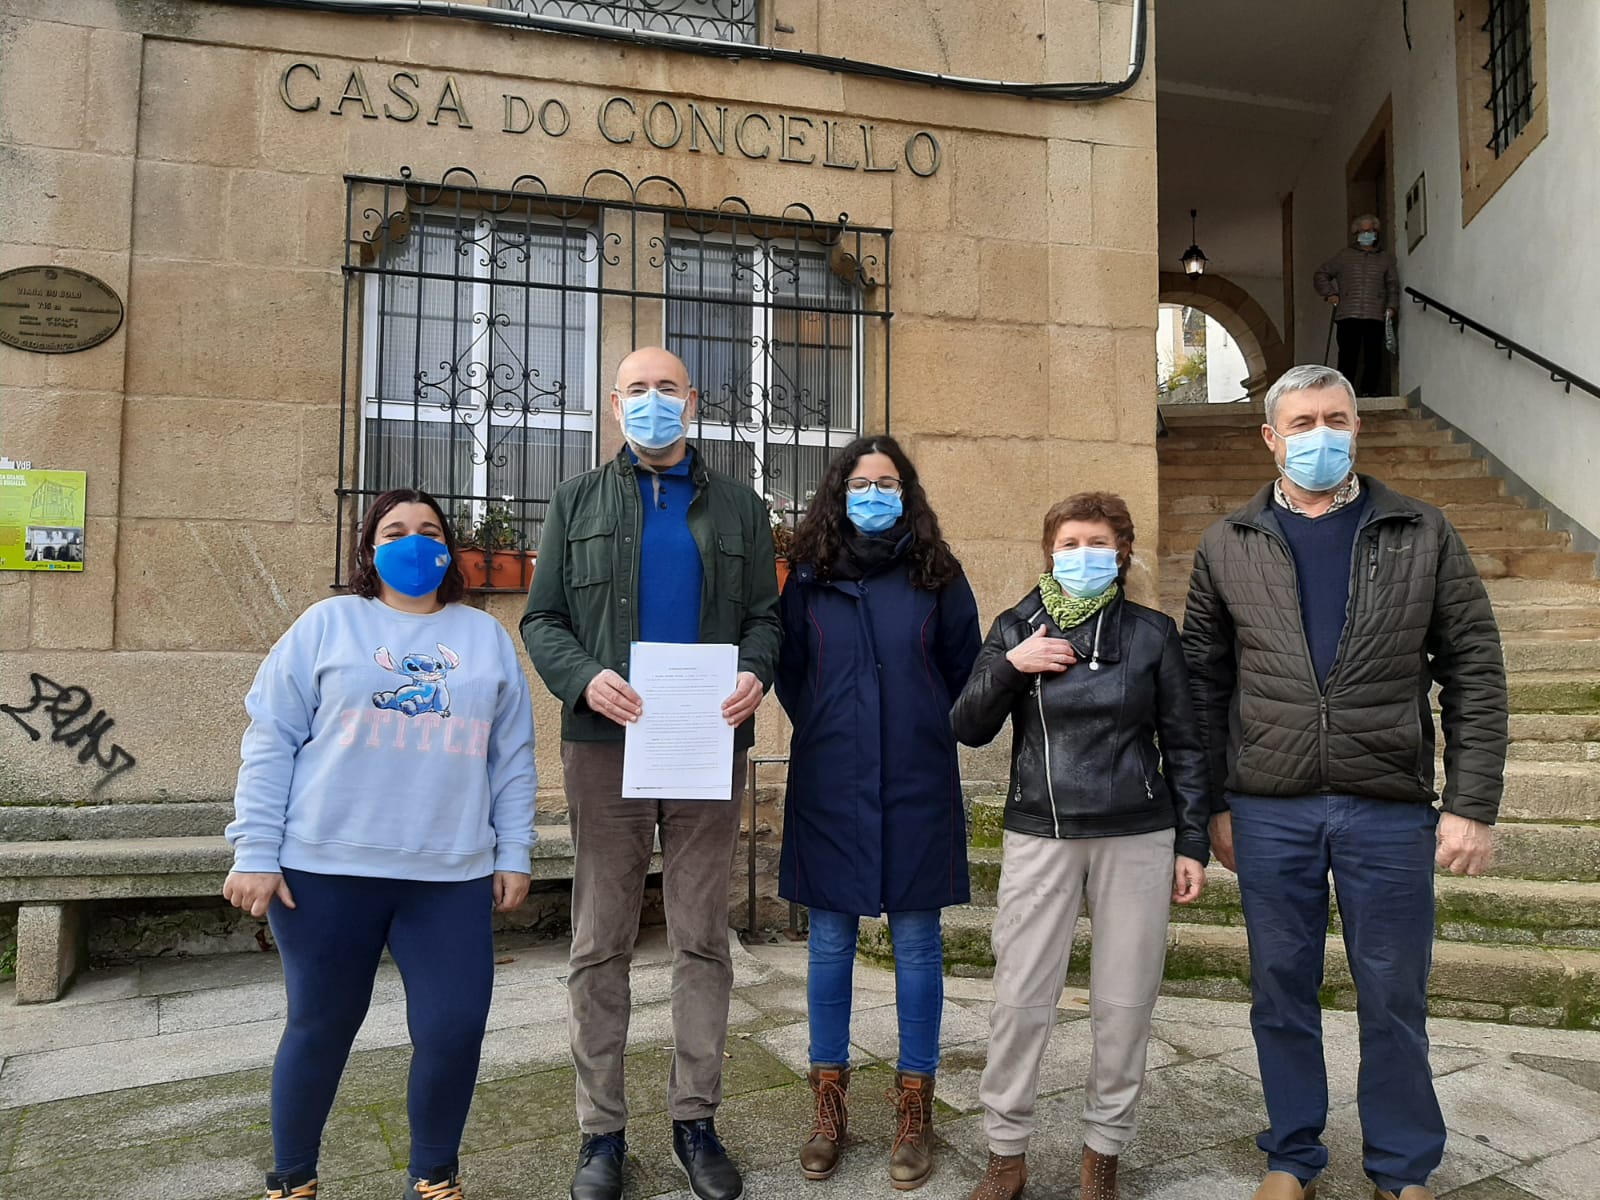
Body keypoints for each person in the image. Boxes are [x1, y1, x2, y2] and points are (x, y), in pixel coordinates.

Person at [1181, 364, 1509, 1200]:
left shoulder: (1421, 530)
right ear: (1271, 437)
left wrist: (1471, 803)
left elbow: (1474, 668)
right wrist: (1212, 803)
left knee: (1394, 995)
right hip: (1269, 806)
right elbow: (1202, 685)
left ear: (1357, 427)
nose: (1319, 435)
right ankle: (1291, 1156)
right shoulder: (1227, 543)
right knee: (1280, 989)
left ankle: (1401, 1168)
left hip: (1387, 805)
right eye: (1302, 423)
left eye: (1335, 419)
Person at [223, 487, 538, 1200]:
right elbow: (271, 738)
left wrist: (515, 850)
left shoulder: (484, 637)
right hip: (324, 870)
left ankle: (434, 1176)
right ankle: (292, 1180)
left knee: (455, 1027)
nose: (414, 542)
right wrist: (255, 850)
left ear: (450, 550)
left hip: (450, 874)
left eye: (430, 530)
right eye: (394, 531)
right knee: (321, 1025)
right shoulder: (327, 624)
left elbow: (513, 756)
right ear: (368, 548)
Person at [521, 346, 780, 1200]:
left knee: (702, 936)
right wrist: (582, 677)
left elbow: (766, 618)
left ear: (692, 401)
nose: (652, 401)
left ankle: (695, 1121)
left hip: (707, 742)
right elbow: (543, 619)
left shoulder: (740, 508)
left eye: (667, 388)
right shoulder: (576, 501)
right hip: (606, 743)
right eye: (637, 390)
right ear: (614, 404)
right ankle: (601, 1134)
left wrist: (756, 672)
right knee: (601, 941)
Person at [951, 492, 1210, 1200]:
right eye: (1069, 543)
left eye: (1097, 542)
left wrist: (1192, 841)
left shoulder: (1154, 634)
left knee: (1125, 1004)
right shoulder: (1016, 627)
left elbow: (1187, 744)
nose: (1082, 554)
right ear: (1049, 552)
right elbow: (967, 725)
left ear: (1122, 552)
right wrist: (1014, 664)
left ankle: (1104, 1153)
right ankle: (1006, 1153)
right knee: (1019, 998)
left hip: (1138, 834)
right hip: (1043, 831)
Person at [775, 436, 981, 1190]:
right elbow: (791, 672)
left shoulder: (938, 573)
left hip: (918, 776)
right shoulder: (808, 576)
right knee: (829, 941)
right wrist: (832, 724)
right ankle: (828, 1108)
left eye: (886, 483)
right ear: (838, 493)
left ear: (907, 493)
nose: (872, 494)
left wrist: (917, 724)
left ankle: (915, 1109)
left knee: (918, 942)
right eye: (859, 483)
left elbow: (966, 669)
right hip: (831, 777)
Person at [1314, 214, 1399, 398]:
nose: (1368, 234)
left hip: (1375, 313)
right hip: (1347, 313)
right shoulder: (1344, 256)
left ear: (1376, 233)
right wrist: (1331, 294)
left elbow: (1392, 285)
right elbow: (1321, 274)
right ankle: (1345, 392)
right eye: (1364, 231)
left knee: (1373, 355)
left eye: (1371, 230)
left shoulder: (1385, 259)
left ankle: (1369, 391)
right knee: (1348, 355)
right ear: (1356, 233)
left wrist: (1392, 306)